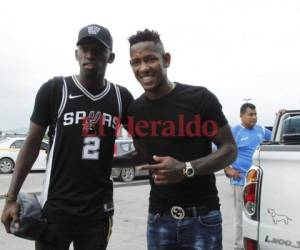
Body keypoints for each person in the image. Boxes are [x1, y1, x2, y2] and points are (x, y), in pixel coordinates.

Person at [1, 24, 133, 250]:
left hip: (97, 213)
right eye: (84, 48)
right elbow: (31, 146)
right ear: (76, 54)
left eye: (98, 49)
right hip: (55, 211)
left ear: (110, 57)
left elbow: (145, 146)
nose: (89, 54)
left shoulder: (121, 97)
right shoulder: (54, 90)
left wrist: (113, 162)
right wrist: (11, 198)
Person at [122, 29, 237, 250]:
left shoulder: (200, 99)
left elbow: (230, 149)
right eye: (136, 62)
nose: (143, 68)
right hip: (158, 219)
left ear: (166, 60)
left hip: (202, 218)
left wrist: (186, 169)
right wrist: (103, 162)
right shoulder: (135, 110)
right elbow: (143, 155)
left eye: (150, 59)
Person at [224, 103, 272, 250]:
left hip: (260, 181)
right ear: (241, 116)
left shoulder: (261, 130)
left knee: (261, 215)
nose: (254, 117)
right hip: (241, 181)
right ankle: (238, 246)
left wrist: (279, 116)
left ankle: (259, 243)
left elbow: (278, 135)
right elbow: (219, 150)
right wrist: (227, 168)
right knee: (241, 217)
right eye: (250, 114)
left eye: (255, 114)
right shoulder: (235, 132)